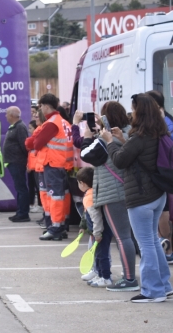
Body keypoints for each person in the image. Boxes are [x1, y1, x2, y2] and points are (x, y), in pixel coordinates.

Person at [103, 94, 172, 302]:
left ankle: (153, 291)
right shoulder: (158, 134)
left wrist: (110, 142)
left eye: (132, 109)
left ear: (139, 111)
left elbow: (120, 160)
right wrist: (124, 140)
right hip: (157, 194)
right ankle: (164, 285)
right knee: (152, 240)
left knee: (146, 245)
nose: (130, 113)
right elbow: (138, 155)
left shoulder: (140, 137)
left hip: (141, 197)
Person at [79, 101, 140, 291]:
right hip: (128, 189)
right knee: (132, 236)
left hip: (113, 192)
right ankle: (134, 274)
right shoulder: (129, 132)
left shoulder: (108, 137)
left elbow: (85, 154)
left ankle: (129, 279)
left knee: (122, 238)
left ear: (106, 117)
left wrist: (88, 136)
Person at [26, 94, 73, 241]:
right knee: (60, 196)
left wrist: (36, 139)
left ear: (46, 105)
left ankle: (56, 228)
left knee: (55, 197)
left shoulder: (51, 123)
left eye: (40, 106)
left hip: (52, 164)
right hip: (60, 164)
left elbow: (36, 143)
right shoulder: (61, 122)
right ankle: (60, 226)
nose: (40, 109)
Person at [76, 167, 112, 287]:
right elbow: (87, 215)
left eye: (78, 183)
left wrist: (97, 233)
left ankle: (106, 277)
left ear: (83, 183)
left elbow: (96, 217)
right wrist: (83, 226)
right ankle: (99, 274)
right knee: (98, 254)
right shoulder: (92, 193)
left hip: (100, 233)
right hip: (97, 232)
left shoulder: (89, 197)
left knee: (102, 255)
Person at [4, 107, 30, 222]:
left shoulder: (20, 127)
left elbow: (24, 145)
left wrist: (26, 161)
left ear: (12, 115)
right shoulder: (14, 126)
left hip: (18, 162)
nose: (5, 116)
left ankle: (23, 213)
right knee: (19, 188)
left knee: (21, 188)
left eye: (7, 114)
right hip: (13, 162)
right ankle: (20, 212)